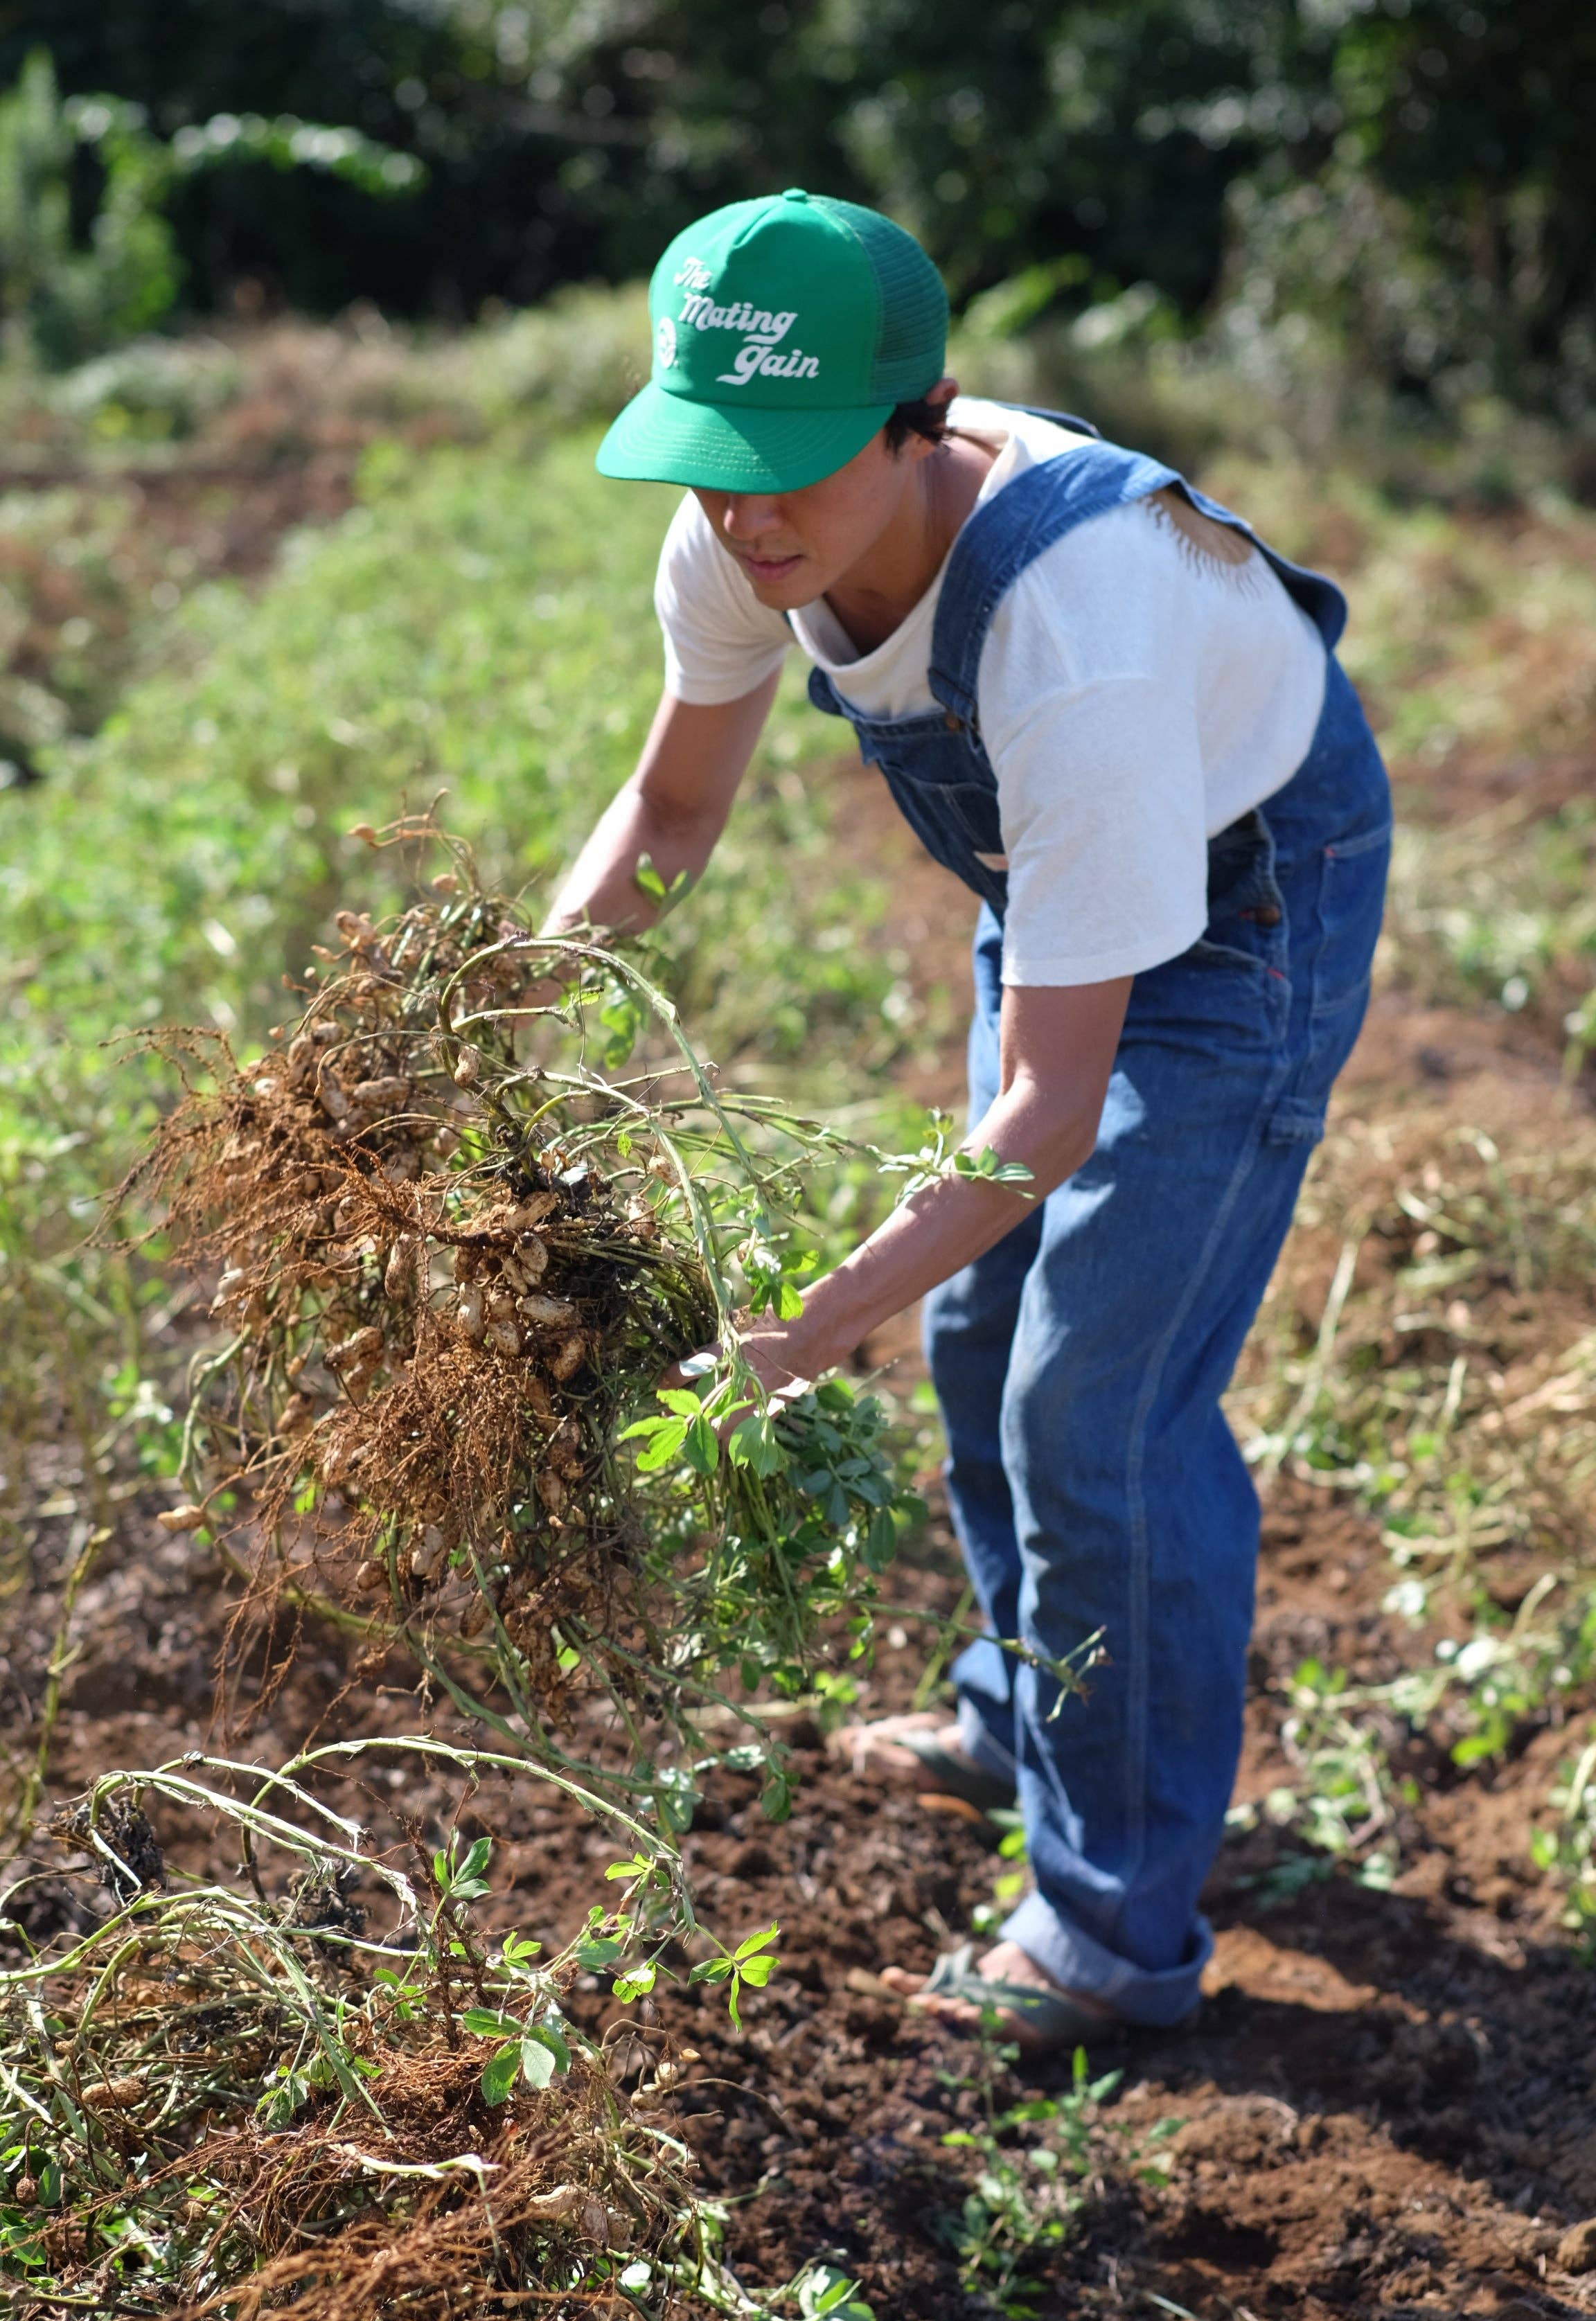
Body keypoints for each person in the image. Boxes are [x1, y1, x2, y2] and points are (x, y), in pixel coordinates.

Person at [542, 189, 1390, 2050]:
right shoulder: (735, 542)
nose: (746, 514)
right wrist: (502, 1009)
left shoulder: (1073, 628)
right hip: (1064, 864)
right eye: (710, 464)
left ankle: (1113, 1931)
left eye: (789, 466)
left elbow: (1043, 1118)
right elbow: (671, 820)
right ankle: (1026, 1719)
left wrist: (789, 1335)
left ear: (917, 420)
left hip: (1251, 893)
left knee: (1094, 1401)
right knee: (975, 1325)